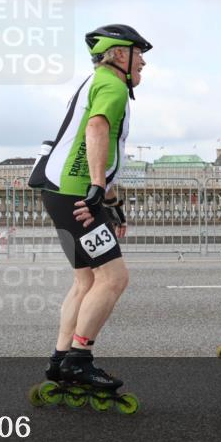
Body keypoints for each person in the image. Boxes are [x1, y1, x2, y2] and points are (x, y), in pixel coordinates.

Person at [28, 23, 150, 402]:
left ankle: (61, 358)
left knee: (86, 281)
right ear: (119, 55)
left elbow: (98, 148)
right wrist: (97, 190)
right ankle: (80, 358)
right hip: (78, 195)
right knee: (113, 278)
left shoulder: (95, 81)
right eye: (138, 54)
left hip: (63, 192)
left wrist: (112, 204)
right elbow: (96, 131)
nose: (143, 62)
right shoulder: (113, 86)